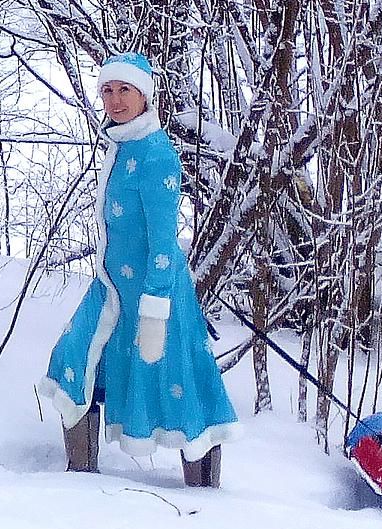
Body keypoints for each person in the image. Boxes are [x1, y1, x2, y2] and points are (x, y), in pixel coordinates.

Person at [39, 53, 237, 485]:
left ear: (144, 95)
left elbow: (163, 243)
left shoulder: (156, 156)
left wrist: (155, 306)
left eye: (124, 90)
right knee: (75, 357)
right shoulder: (122, 146)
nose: (114, 99)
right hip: (111, 288)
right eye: (107, 90)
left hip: (156, 293)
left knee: (180, 381)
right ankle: (79, 476)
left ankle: (204, 492)